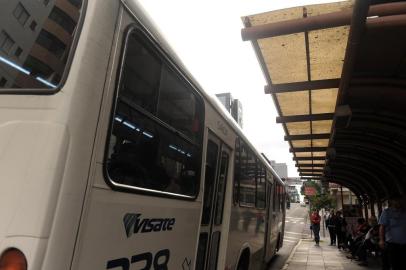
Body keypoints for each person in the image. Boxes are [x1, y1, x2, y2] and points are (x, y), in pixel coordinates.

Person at [378, 195, 406, 270]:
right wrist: (381, 240)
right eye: (396, 200)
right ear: (391, 201)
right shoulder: (387, 212)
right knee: (394, 264)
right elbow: (382, 227)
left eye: (400, 200)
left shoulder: (404, 212)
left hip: (404, 244)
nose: (399, 202)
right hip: (392, 244)